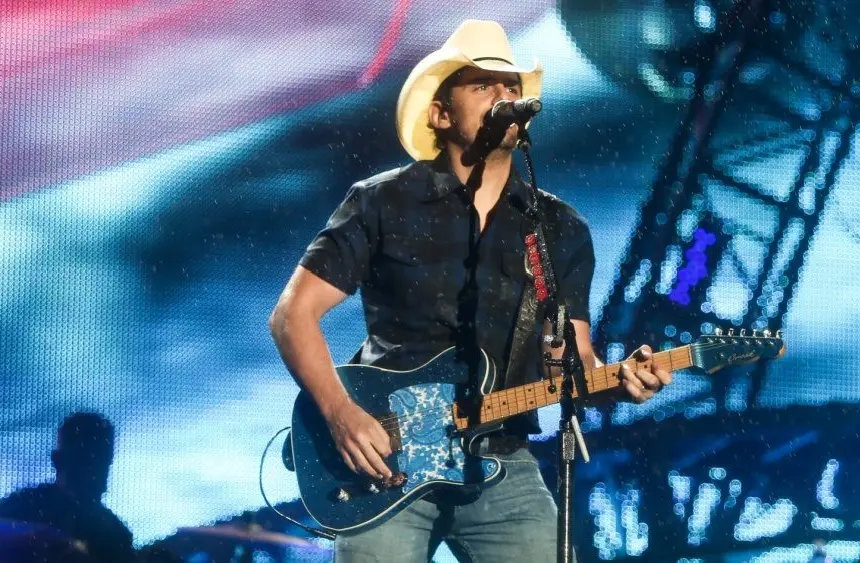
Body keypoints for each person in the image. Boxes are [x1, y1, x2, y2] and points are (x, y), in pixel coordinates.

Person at [269, 19, 673, 561]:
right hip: (387, 462)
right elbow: (292, 315)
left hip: (501, 459)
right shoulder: (382, 203)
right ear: (440, 113)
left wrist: (619, 384)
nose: (504, 98)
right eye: (483, 86)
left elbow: (574, 361)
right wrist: (342, 416)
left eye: (512, 88)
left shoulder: (557, 228)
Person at [0, 412, 137, 563]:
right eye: (85, 458)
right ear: (57, 460)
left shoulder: (115, 533)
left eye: (101, 458)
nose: (94, 469)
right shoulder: (17, 510)